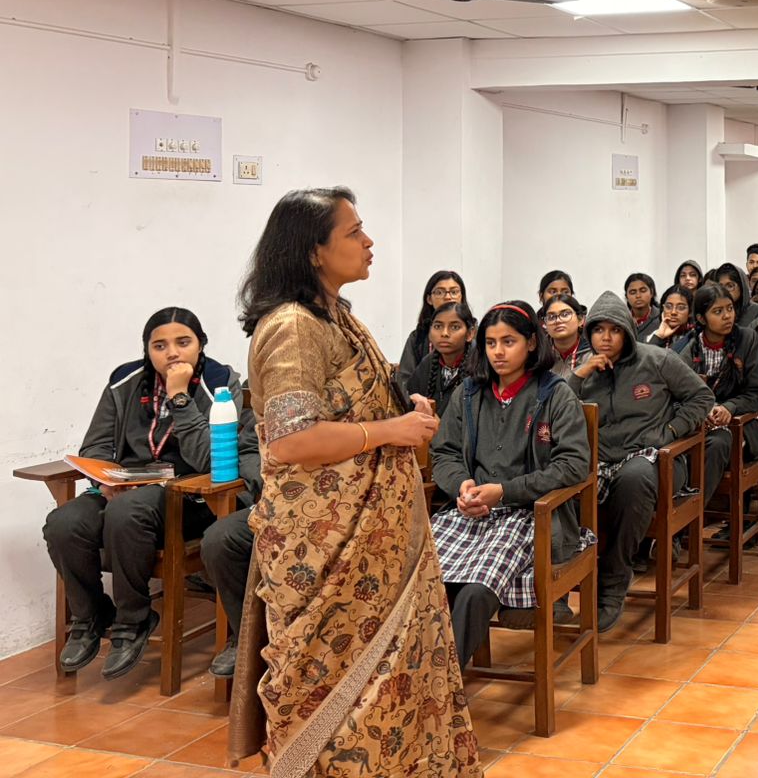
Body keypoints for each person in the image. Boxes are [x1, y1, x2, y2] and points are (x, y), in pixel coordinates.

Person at [232, 187, 478, 774]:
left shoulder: (336, 315)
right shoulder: (292, 327)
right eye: (354, 232)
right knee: (335, 686)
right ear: (313, 251)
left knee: (394, 683)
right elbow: (292, 440)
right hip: (327, 549)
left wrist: (402, 410)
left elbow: (349, 405)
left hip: (376, 542)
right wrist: (391, 430)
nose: (369, 242)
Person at [43, 308, 255, 679]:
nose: (172, 353)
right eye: (160, 346)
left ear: (201, 345)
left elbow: (209, 458)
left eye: (183, 342)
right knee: (64, 523)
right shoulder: (124, 381)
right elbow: (96, 446)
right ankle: (91, 615)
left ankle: (133, 619)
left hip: (188, 495)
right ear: (147, 350)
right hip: (123, 489)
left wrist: (179, 397)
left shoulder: (219, 383)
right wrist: (105, 481)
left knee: (128, 511)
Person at [430, 301, 590, 664]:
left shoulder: (555, 393)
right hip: (470, 512)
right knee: (422, 579)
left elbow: (573, 465)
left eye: (508, 342)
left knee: (476, 591)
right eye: (490, 343)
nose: (498, 352)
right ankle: (418, 675)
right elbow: (444, 452)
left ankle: (442, 682)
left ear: (531, 343)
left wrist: (505, 491)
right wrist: (462, 486)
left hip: (530, 515)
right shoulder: (469, 393)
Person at [568, 291, 715, 630]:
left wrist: (672, 430)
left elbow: (701, 397)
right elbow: (554, 411)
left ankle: (614, 581)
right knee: (562, 485)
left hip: (655, 459)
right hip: (601, 462)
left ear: (627, 332)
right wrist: (579, 376)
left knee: (633, 479)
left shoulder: (657, 360)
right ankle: (560, 587)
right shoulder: (585, 369)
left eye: (614, 330)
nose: (606, 338)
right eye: (598, 330)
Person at [677, 284, 758, 516]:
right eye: (718, 311)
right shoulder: (692, 347)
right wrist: (702, 411)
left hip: (741, 424)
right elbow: (678, 393)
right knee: (671, 447)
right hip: (701, 423)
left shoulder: (747, 339)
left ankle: (690, 518)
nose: (727, 316)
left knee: (718, 444)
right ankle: (675, 512)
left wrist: (729, 407)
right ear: (701, 318)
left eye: (729, 308)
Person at [405, 299, 477, 424]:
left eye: (455, 327)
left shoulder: (479, 364)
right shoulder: (428, 362)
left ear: (470, 334)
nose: (444, 333)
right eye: (438, 326)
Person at [395, 270, 467, 389]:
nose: (448, 297)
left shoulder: (475, 334)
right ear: (429, 299)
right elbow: (404, 380)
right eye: (440, 292)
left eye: (454, 292)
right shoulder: (418, 337)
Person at [541, 292, 591, 380]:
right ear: (545, 324)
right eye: (551, 317)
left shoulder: (592, 354)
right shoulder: (539, 355)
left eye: (565, 315)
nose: (558, 321)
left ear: (580, 320)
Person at [713, 261, 758, 329]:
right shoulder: (715, 310)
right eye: (721, 286)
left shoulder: (757, 311)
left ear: (742, 287)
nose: (725, 291)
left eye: (730, 286)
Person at [645, 284, 694, 350]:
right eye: (668, 307)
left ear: (690, 311)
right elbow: (646, 355)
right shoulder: (654, 335)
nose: (673, 312)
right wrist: (659, 336)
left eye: (681, 308)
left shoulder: (696, 337)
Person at [624, 272, 660, 340]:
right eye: (633, 292)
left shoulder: (662, 318)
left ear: (652, 293)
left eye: (643, 291)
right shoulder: (622, 319)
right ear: (626, 297)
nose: (638, 296)